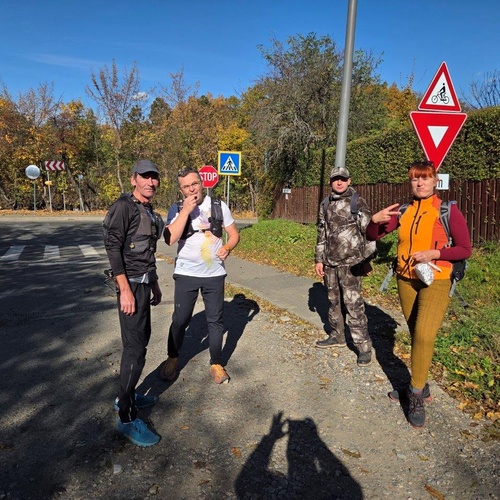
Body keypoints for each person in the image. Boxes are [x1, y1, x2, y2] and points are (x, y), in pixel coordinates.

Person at [366, 160, 472, 428]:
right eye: (415, 178)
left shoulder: (447, 211)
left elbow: (465, 249)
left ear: (435, 181)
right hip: (406, 278)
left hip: (437, 278)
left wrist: (435, 253)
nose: (420, 183)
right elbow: (373, 235)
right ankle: (421, 385)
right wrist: (373, 222)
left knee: (424, 334)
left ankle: (414, 393)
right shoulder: (404, 211)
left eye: (425, 178)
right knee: (416, 333)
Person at [104, 159, 164, 447]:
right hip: (130, 287)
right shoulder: (123, 207)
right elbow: (113, 247)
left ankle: (126, 395)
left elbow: (147, 252)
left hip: (143, 284)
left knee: (141, 343)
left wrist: (154, 283)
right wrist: (125, 290)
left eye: (154, 177)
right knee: (135, 350)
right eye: (145, 177)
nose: (150, 182)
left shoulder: (148, 210)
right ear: (133, 179)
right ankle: (126, 417)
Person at [161, 167, 240, 384]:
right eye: (186, 186)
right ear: (181, 190)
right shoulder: (177, 208)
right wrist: (186, 211)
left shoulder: (219, 206)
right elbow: (170, 239)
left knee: (215, 321)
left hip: (214, 274)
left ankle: (216, 363)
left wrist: (228, 247)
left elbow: (234, 234)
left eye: (194, 184)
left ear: (202, 183)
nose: (191, 189)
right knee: (180, 319)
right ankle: (173, 357)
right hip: (186, 273)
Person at [314, 166, 375, 366]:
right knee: (333, 302)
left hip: (351, 264)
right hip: (330, 264)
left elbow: (369, 233)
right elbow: (322, 233)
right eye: (335, 179)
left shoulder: (357, 202)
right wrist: (319, 259)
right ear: (331, 182)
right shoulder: (325, 204)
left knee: (353, 305)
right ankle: (337, 335)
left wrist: (366, 260)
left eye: (342, 179)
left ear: (349, 181)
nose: (339, 182)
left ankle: (363, 348)